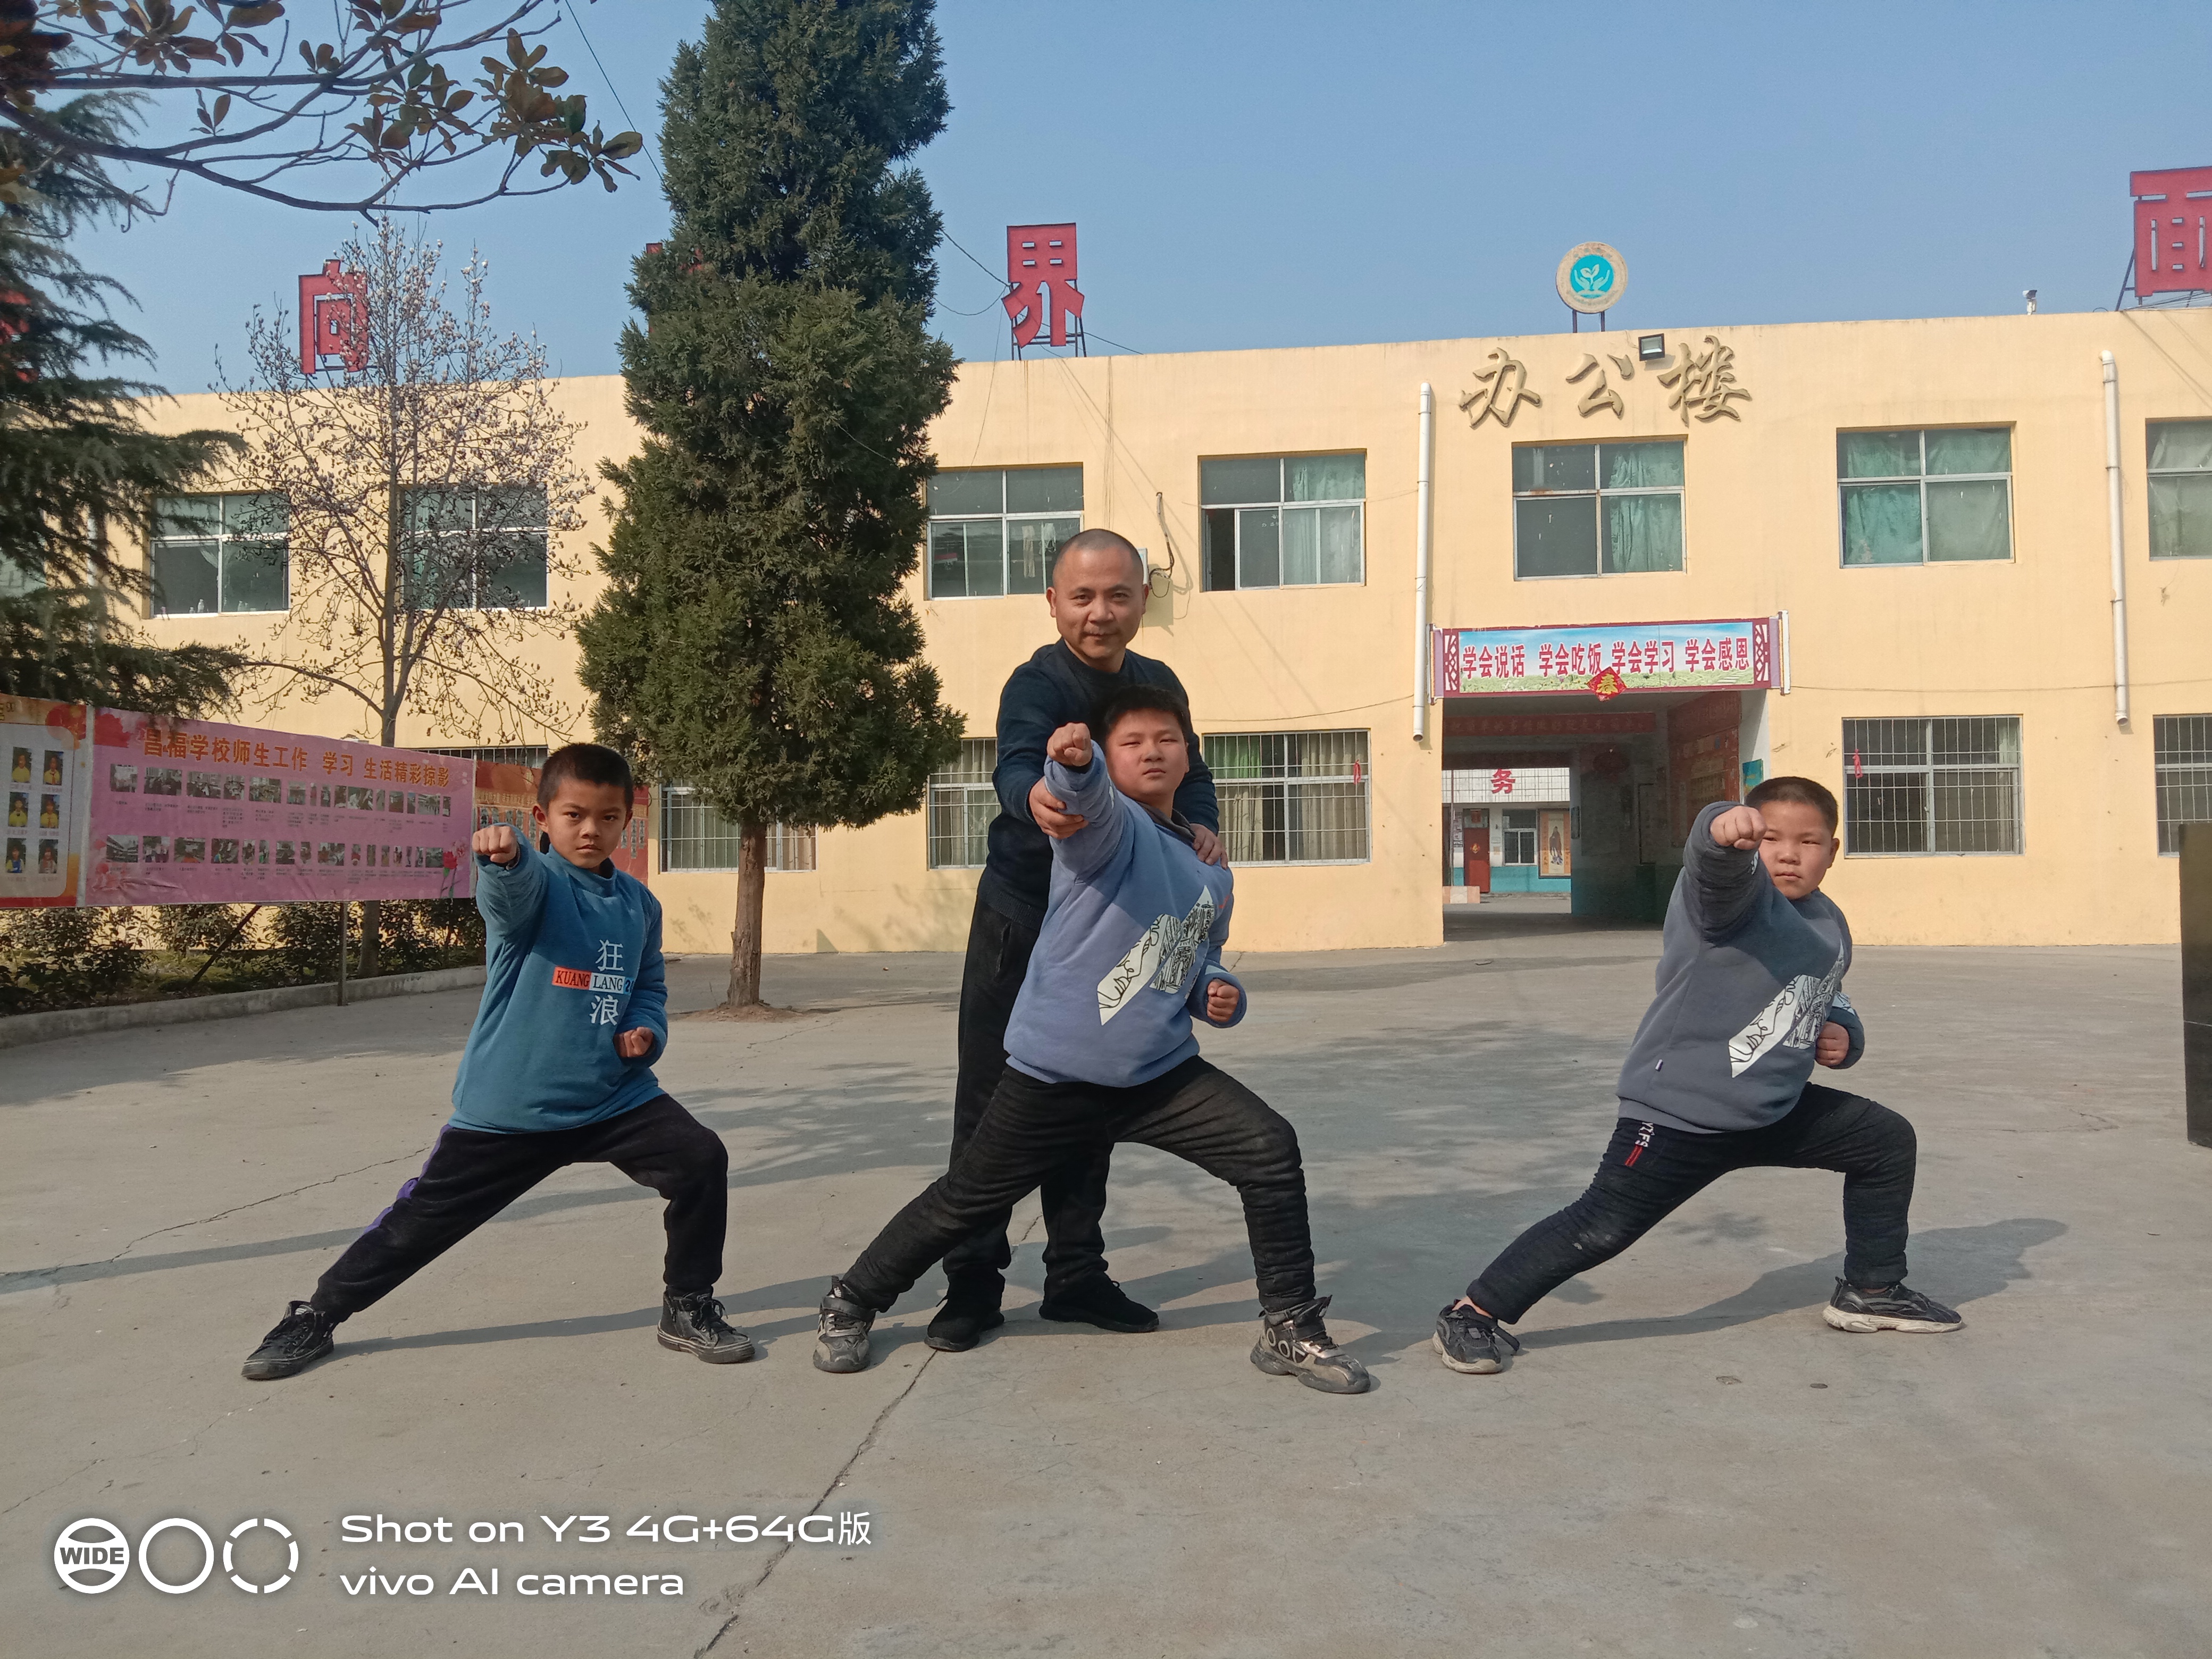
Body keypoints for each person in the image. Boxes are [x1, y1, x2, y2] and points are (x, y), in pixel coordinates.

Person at [812, 684, 1372, 1395]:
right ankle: (851, 1300)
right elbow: (1084, 803)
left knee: (1269, 1148)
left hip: (1157, 1075)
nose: (1152, 751)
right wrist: (1073, 765)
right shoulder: (1110, 831)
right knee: (966, 1200)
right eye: (1131, 742)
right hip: (1056, 1076)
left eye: (1166, 739)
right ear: (1111, 756)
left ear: (1189, 755)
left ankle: (1289, 1325)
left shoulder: (1211, 871)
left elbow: (1188, 961)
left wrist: (1215, 991)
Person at [238, 743, 748, 1381]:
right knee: (420, 1222)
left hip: (613, 1096)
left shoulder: (638, 905)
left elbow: (647, 986)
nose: (590, 830)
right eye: (574, 815)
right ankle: (318, 1314)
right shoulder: (537, 883)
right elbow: (509, 900)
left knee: (699, 1158)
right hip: (514, 1104)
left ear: (627, 820)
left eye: (608, 817)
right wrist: (504, 861)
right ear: (543, 816)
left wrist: (645, 1030)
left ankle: (687, 1304)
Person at [1434, 776, 1962, 1377]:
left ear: (1832, 852)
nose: (1789, 854)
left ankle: (1871, 1289)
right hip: (1680, 1112)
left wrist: (1845, 1031)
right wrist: (1719, 830)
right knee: (1600, 1227)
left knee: (1884, 1141)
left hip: (1773, 1107)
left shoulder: (1825, 917)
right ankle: (1472, 1313)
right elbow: (1713, 869)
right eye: (1770, 839)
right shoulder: (1729, 904)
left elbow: (1824, 989)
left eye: (1808, 842)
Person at [928, 527, 1225, 1354]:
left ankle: (1075, 1275)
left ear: (1142, 602)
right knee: (989, 1104)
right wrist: (1036, 798)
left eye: (1118, 596)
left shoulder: (1158, 683)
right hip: (1024, 917)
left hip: (1115, 925)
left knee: (1089, 1098)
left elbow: (1193, 771)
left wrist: (1201, 824)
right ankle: (972, 1282)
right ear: (1054, 602)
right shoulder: (1040, 681)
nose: (1101, 613)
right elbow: (1016, 764)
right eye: (1083, 596)